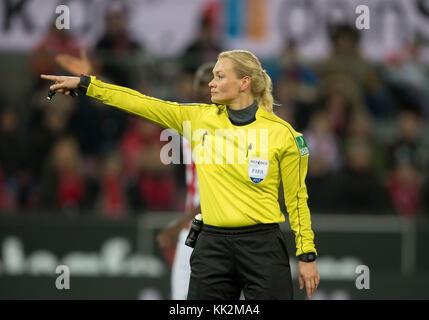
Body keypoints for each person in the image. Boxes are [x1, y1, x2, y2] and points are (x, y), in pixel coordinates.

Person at [41, 49, 320, 300]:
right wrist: (88, 85)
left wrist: (306, 254)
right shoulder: (198, 118)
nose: (211, 82)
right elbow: (142, 103)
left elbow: (297, 199)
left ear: (244, 83)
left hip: (262, 247)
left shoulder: (284, 135)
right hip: (213, 245)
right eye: (212, 76)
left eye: (220, 76)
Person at [156, 63, 213, 300]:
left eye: (211, 81)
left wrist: (179, 223)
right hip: (192, 229)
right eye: (200, 82)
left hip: (217, 231)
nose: (206, 87)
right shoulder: (190, 124)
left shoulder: (229, 133)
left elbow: (217, 194)